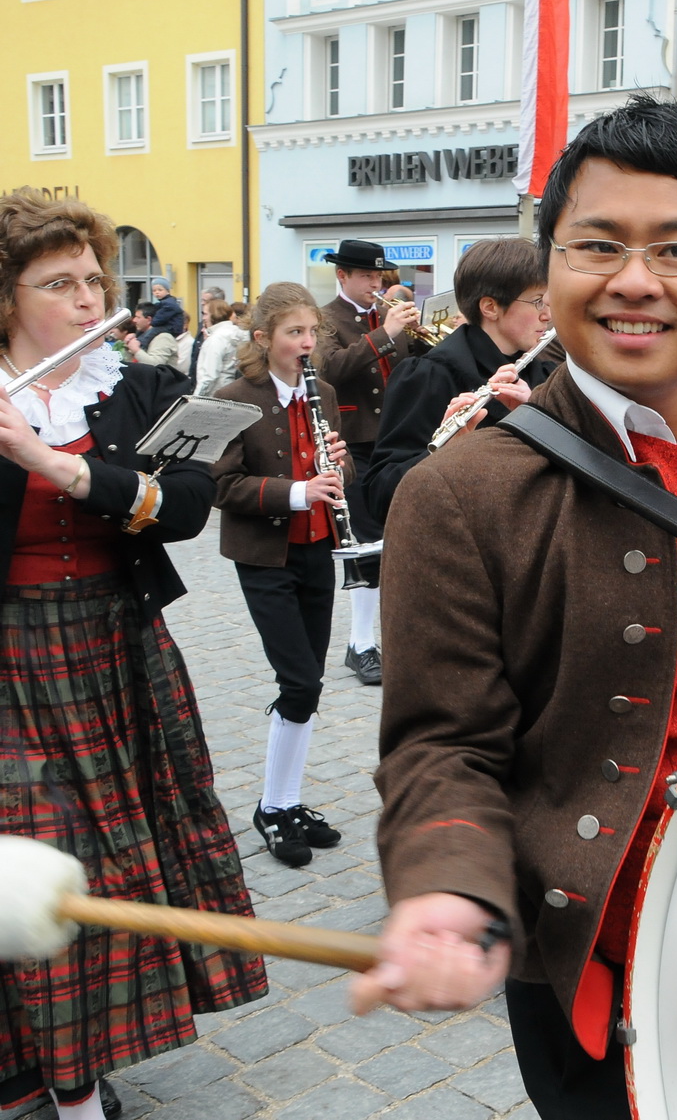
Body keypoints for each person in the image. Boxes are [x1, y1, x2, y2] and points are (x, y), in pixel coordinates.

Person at [349, 97, 677, 1118]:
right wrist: (451, 883)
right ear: (551, 268)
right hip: (621, 962)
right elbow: (440, 744)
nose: (634, 279)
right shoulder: (460, 492)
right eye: (598, 244)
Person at [0, 189, 267, 1119]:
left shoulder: (133, 384)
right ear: (7, 297)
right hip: (13, 660)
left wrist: (59, 464)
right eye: (60, 283)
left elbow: (188, 502)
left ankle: (83, 1084)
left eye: (94, 279)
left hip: (119, 644)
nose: (88, 300)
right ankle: (39, 1068)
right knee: (35, 858)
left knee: (116, 857)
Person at [212, 283, 354, 867]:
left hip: (318, 548)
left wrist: (336, 464)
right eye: (295, 333)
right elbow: (223, 487)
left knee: (310, 683)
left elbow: (332, 466)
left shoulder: (322, 392)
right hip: (266, 557)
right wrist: (298, 490)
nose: (307, 343)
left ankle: (287, 801)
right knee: (298, 681)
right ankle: (273, 807)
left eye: (312, 333)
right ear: (263, 338)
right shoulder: (234, 397)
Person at [364, 237, 559, 522]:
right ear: (490, 307)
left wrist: (541, 418)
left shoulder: (543, 374)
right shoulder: (430, 374)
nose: (548, 315)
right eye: (537, 301)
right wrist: (446, 452)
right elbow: (380, 496)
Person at [315, 239, 429, 685]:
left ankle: (393, 637)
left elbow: (413, 371)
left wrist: (431, 336)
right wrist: (386, 334)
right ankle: (360, 643)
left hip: (396, 441)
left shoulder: (387, 314)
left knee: (397, 538)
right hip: (354, 443)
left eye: (379, 278)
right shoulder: (325, 319)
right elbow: (332, 370)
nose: (374, 285)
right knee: (364, 542)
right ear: (342, 276)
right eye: (365, 277)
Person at [194, 298, 247, 396]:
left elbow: (209, 377)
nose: (203, 318)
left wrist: (196, 399)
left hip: (216, 396)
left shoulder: (216, 339)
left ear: (215, 314)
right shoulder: (237, 334)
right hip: (232, 391)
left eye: (205, 314)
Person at [125, 304, 179, 368]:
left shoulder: (163, 337)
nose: (134, 320)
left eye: (138, 317)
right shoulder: (140, 336)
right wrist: (127, 345)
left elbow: (156, 365)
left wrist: (136, 350)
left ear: (149, 319)